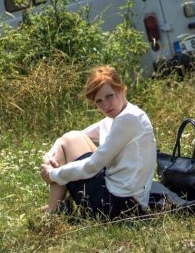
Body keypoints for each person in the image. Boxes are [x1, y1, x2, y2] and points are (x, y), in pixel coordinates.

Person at [39, 65, 156, 219]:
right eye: (99, 101)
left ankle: (53, 210)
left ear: (122, 89)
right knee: (72, 138)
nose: (106, 105)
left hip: (121, 206)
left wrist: (52, 174)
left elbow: (92, 165)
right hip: (125, 200)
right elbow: (72, 137)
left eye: (109, 96)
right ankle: (54, 207)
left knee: (71, 139)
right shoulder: (119, 115)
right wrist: (48, 156)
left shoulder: (129, 119)